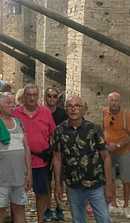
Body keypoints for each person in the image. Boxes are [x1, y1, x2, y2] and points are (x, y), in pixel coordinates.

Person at [51, 95, 113, 223]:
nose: (74, 109)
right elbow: (57, 159)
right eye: (70, 106)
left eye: (77, 106)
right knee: (78, 220)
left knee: (104, 219)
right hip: (74, 185)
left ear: (83, 109)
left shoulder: (94, 129)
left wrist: (109, 184)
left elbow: (106, 157)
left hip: (96, 184)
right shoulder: (60, 131)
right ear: (66, 109)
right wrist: (58, 185)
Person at [0, 92, 32, 223]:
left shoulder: (19, 123)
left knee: (19, 208)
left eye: (12, 102)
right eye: (8, 103)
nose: (12, 105)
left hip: (18, 176)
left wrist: (29, 173)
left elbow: (26, 149)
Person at [12, 85, 55, 223]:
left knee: (41, 193)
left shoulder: (46, 112)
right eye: (29, 95)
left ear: (38, 96)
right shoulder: (15, 113)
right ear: (24, 96)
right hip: (20, 161)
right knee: (18, 194)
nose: (31, 98)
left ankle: (40, 219)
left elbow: (52, 135)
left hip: (41, 161)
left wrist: (54, 155)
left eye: (34, 95)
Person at [102, 92, 130, 219]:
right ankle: (113, 203)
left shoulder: (126, 115)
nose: (113, 103)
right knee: (110, 178)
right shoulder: (105, 112)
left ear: (120, 102)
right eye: (111, 100)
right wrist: (105, 143)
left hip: (123, 152)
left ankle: (126, 205)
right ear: (108, 101)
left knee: (126, 179)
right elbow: (103, 129)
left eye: (116, 100)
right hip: (108, 152)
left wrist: (117, 145)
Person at [44, 88, 68, 220]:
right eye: (49, 95)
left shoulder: (62, 114)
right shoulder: (42, 112)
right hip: (45, 152)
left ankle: (59, 206)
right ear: (45, 97)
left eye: (54, 96)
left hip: (60, 151)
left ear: (57, 99)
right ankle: (48, 208)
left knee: (59, 181)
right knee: (47, 181)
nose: (52, 98)